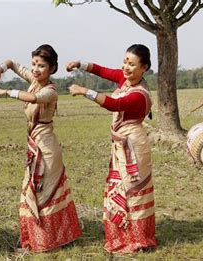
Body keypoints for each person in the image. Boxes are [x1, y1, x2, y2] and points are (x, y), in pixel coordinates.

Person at [0, 44, 82, 252]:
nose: (35, 69)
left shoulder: (50, 91)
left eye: (41, 66)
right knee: (32, 193)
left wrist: (5, 92)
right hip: (34, 148)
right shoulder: (33, 82)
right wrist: (0, 68)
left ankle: (50, 240)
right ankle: (39, 240)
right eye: (33, 64)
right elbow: (12, 63)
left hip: (47, 150)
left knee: (43, 194)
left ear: (52, 69)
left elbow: (33, 98)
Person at [67, 44, 156, 253]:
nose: (126, 67)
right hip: (120, 146)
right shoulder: (124, 80)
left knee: (132, 190)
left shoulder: (139, 94)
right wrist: (80, 64)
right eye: (125, 61)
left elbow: (113, 104)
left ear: (144, 68)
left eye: (132, 64)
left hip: (133, 147)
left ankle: (139, 239)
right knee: (118, 190)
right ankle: (122, 236)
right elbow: (102, 71)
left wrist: (83, 91)